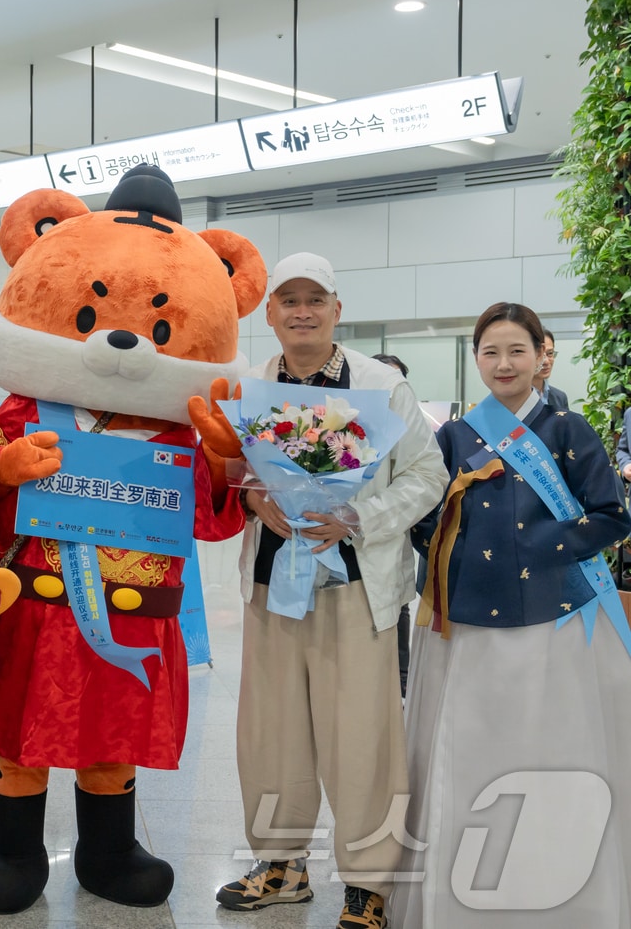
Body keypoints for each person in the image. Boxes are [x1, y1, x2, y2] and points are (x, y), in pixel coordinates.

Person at [211, 253, 446, 929]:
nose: (303, 311)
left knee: (362, 735)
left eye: (316, 300)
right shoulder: (250, 386)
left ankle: (369, 882)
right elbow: (234, 470)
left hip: (356, 584)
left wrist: (357, 516)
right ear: (271, 314)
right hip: (273, 585)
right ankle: (279, 863)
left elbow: (426, 476)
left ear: (337, 311)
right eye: (289, 301)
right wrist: (258, 501)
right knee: (271, 731)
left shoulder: (380, 387)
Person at [392, 303, 631, 928]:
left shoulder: (569, 429)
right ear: (476, 359)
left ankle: (557, 881)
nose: (504, 364)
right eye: (490, 352)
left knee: (552, 755)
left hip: (555, 622)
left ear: (541, 354)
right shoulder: (452, 437)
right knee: (468, 752)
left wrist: (537, 548)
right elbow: (423, 520)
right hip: (467, 622)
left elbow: (610, 514)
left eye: (516, 351)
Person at [372, 354, 414, 698]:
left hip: (395, 532)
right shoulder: (349, 429)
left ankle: (402, 678)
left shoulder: (411, 430)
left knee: (399, 605)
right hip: (357, 541)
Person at [534, 329, 570, 410]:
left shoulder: (560, 397)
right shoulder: (514, 397)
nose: (546, 361)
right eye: (539, 355)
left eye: (550, 353)